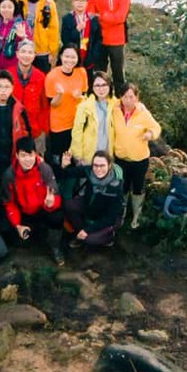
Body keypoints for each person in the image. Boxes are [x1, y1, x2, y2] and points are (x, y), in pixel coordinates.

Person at [0, 138, 63, 256]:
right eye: (23, 155)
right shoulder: (9, 175)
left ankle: (55, 247)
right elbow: (9, 203)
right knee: (5, 226)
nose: (27, 160)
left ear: (35, 154)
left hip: (42, 209)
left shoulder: (45, 169)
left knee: (57, 217)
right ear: (17, 156)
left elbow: (55, 195)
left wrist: (51, 203)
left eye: (31, 155)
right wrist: (17, 225)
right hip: (23, 212)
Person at [113, 83, 163, 229]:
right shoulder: (115, 110)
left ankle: (136, 215)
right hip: (121, 159)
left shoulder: (143, 112)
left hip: (139, 160)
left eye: (132, 97)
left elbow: (156, 127)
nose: (128, 100)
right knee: (122, 187)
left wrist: (150, 134)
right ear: (120, 97)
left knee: (137, 187)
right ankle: (121, 215)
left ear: (137, 98)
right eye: (125, 97)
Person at [0, 69, 38, 176]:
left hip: (11, 159)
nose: (3, 91)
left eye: (7, 87)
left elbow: (27, 134)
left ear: (12, 88)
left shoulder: (19, 109)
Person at [67, 70, 118, 188]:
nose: (101, 89)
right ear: (92, 87)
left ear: (110, 86)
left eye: (104, 85)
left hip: (107, 153)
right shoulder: (85, 106)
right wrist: (78, 155)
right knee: (85, 186)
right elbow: (77, 130)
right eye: (97, 85)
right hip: (88, 153)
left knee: (105, 185)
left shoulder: (115, 104)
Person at [86, 0, 131, 87]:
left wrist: (102, 15)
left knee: (118, 74)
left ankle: (120, 100)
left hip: (117, 39)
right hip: (99, 38)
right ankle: (101, 101)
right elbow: (90, 15)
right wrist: (108, 17)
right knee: (99, 73)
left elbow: (120, 17)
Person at [64, 150, 125, 248]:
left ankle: (109, 237)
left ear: (109, 165)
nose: (98, 169)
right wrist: (64, 166)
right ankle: (81, 233)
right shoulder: (90, 171)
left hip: (108, 217)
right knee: (68, 205)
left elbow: (111, 217)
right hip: (90, 204)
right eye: (95, 165)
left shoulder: (116, 186)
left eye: (102, 166)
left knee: (90, 240)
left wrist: (88, 230)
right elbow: (68, 173)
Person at [43, 42, 88, 172]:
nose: (70, 60)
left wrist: (79, 96)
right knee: (60, 160)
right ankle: (58, 184)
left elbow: (85, 95)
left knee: (76, 157)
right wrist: (60, 94)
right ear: (61, 56)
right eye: (66, 56)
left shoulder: (82, 72)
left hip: (77, 122)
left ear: (78, 58)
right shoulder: (52, 75)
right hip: (60, 125)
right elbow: (52, 103)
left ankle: (74, 187)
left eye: (73, 57)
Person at [14, 0, 61, 72]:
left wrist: (52, 52)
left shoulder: (49, 3)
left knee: (41, 79)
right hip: (23, 48)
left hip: (42, 50)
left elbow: (54, 29)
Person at [7, 38, 50, 144]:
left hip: (35, 131)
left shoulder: (40, 77)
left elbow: (44, 105)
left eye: (30, 52)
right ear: (17, 54)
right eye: (23, 52)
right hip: (11, 129)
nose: (26, 56)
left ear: (34, 56)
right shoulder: (8, 74)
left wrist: (43, 129)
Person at [0, 0, 31, 65]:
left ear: (14, 8)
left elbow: (29, 46)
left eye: (10, 7)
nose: (6, 10)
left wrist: (23, 37)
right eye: (3, 7)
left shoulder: (21, 24)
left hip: (13, 63)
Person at [64, 0, 100, 68]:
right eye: (77, 0)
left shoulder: (93, 19)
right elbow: (65, 39)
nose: (80, 3)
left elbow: (98, 40)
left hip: (90, 58)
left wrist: (94, 56)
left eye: (83, 0)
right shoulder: (67, 18)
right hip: (72, 59)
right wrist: (76, 30)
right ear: (72, 2)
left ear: (87, 2)